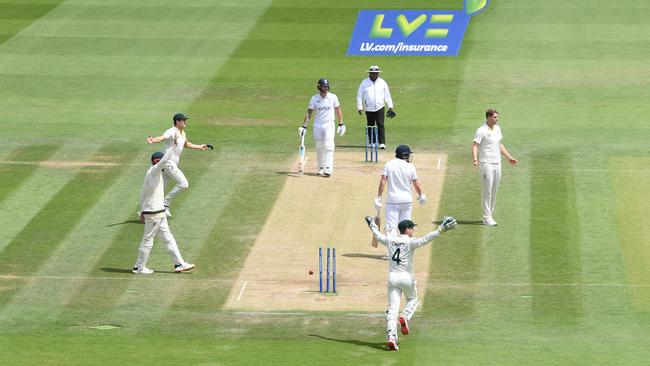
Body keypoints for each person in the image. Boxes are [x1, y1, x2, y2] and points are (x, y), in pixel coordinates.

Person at [365, 216, 457, 351]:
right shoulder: (410, 242)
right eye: (412, 228)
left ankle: (391, 337)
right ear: (407, 230)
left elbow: (377, 235)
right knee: (413, 299)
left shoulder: (390, 240)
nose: (413, 230)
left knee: (392, 310)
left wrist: (372, 224)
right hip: (407, 277)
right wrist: (440, 229)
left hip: (392, 278)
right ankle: (405, 316)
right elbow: (426, 239)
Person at [133, 148, 195, 274]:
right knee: (148, 240)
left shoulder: (157, 173)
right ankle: (139, 267)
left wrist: (142, 211)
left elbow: (143, 194)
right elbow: (163, 162)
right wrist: (172, 149)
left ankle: (179, 264)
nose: (158, 163)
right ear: (153, 163)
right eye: (156, 161)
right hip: (154, 213)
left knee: (168, 238)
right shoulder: (153, 172)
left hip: (159, 211)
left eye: (159, 161)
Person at [146, 113, 209, 217]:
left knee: (160, 188)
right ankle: (165, 204)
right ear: (177, 121)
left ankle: (146, 211)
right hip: (168, 163)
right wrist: (153, 140)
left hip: (172, 164)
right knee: (184, 184)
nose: (186, 122)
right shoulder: (171, 131)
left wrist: (199, 146)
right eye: (184, 120)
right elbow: (162, 138)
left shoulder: (182, 133)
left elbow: (186, 144)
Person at [471, 108, 518, 226]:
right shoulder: (481, 130)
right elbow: (475, 145)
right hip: (486, 164)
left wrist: (509, 158)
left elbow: (499, 145)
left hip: (498, 163)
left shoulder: (497, 129)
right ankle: (486, 217)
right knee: (487, 191)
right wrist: (475, 159)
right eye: (494, 117)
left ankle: (489, 215)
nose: (497, 119)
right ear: (488, 118)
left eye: (497, 117)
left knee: (494, 190)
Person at [374, 145, 426, 236]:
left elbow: (383, 181)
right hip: (407, 201)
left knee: (391, 228)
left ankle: (392, 249)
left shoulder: (388, 164)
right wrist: (421, 195)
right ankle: (404, 249)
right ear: (404, 155)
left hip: (392, 201)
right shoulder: (411, 167)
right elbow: (416, 184)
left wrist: (379, 197)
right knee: (406, 227)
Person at [300, 78, 345, 177]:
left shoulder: (333, 97)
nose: (326, 88)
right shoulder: (314, 98)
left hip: (329, 124)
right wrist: (304, 126)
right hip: (318, 125)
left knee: (329, 145)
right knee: (319, 147)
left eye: (327, 86)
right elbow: (309, 113)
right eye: (324, 86)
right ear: (319, 87)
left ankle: (328, 168)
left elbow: (338, 110)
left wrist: (341, 123)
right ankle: (320, 168)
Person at [356, 65, 395, 150]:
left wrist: (390, 106)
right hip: (368, 107)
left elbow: (387, 95)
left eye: (376, 73)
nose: (374, 75)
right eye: (373, 73)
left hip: (380, 106)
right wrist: (360, 107)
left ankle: (382, 143)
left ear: (378, 73)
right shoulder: (364, 82)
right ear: (369, 73)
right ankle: (372, 142)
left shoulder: (382, 82)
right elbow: (359, 95)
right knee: (370, 124)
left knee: (380, 124)